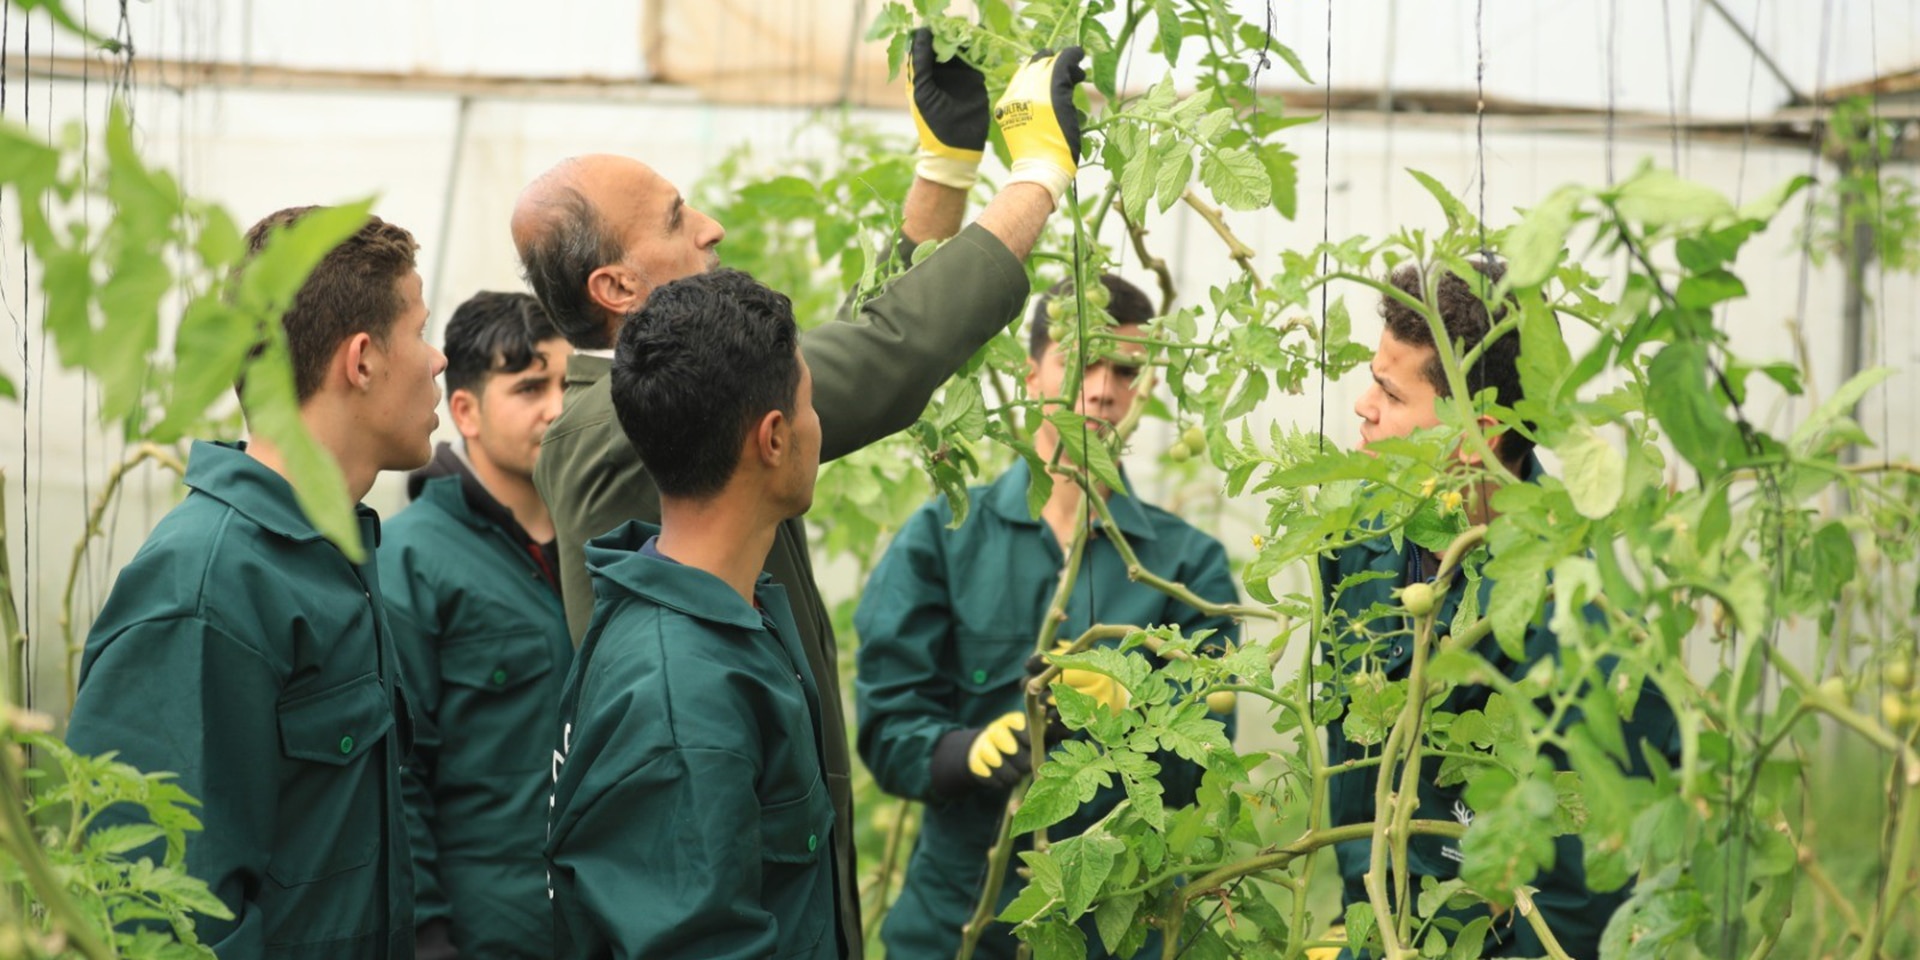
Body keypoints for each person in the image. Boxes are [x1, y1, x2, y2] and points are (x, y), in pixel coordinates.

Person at [514, 30, 1087, 957]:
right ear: (616, 286)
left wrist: (943, 170)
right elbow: (880, 358)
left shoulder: (649, 401)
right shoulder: (609, 430)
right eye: (676, 219)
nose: (710, 230)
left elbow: (825, 363)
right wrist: (1037, 179)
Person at [65, 207, 443, 959]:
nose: (437, 361)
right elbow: (154, 914)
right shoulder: (207, 590)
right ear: (361, 359)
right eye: (421, 332)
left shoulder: (332, 558)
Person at [854, 275, 1241, 959]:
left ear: (1140, 391)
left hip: (1117, 928)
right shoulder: (943, 538)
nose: (1101, 388)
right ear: (1033, 374)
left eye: (1124, 369)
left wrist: (1135, 703)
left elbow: (1205, 766)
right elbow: (887, 725)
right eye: (1080, 359)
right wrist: (961, 753)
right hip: (960, 922)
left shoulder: (1187, 570)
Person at [1319, 259, 1679, 959]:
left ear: (1475, 436)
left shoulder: (1588, 628)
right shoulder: (1356, 545)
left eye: (1390, 396)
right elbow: (1352, 787)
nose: (1363, 406)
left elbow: (1579, 909)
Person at [545, 269, 832, 959]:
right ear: (772, 438)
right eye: (811, 406)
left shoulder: (701, 610)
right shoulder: (684, 701)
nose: (819, 428)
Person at [376, 291, 572, 959]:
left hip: (608, 923)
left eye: (568, 383)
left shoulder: (601, 545)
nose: (559, 407)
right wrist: (429, 936)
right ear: (465, 411)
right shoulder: (412, 559)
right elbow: (397, 776)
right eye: (529, 388)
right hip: (489, 933)